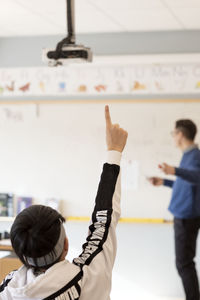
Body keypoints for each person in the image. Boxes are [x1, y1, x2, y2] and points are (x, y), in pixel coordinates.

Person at [0, 105, 128, 300]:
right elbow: (104, 222)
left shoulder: (8, 291)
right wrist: (114, 151)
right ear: (66, 244)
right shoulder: (89, 278)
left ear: (22, 256)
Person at [149, 119, 200, 300]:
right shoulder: (188, 154)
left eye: (173, 134)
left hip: (187, 217)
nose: (173, 137)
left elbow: (197, 177)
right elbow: (186, 183)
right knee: (184, 263)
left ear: (180, 134)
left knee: (184, 264)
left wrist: (174, 171)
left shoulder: (194, 155)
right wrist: (164, 181)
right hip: (183, 215)